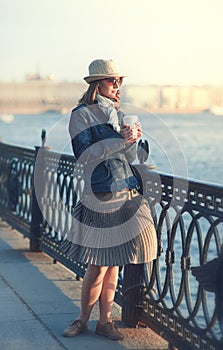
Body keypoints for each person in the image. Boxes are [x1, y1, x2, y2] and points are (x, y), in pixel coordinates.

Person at [60, 59, 157, 341]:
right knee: (98, 264)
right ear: (96, 84)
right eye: (112, 80)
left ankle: (106, 321)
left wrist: (134, 141)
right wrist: (120, 142)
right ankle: (81, 319)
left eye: (120, 81)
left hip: (126, 191)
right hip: (101, 194)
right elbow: (85, 156)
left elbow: (126, 159)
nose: (117, 85)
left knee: (115, 262)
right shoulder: (82, 115)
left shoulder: (118, 113)